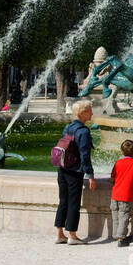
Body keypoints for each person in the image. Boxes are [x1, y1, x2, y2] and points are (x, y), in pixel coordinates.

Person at [55, 99, 96, 244]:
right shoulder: (83, 131)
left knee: (63, 201)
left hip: (62, 168)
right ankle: (72, 235)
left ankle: (59, 233)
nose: (92, 113)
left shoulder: (68, 127)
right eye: (90, 110)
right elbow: (85, 155)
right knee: (73, 202)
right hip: (74, 171)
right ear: (83, 113)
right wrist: (90, 175)